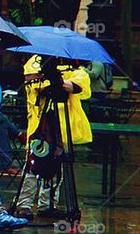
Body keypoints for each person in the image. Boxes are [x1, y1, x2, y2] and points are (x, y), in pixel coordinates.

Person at [14, 55, 92, 218]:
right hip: (39, 125)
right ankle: (24, 205)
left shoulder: (74, 64)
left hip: (63, 126)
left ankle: (48, 205)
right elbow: (31, 82)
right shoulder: (35, 60)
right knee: (33, 165)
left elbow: (80, 86)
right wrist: (54, 80)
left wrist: (57, 81)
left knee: (58, 167)